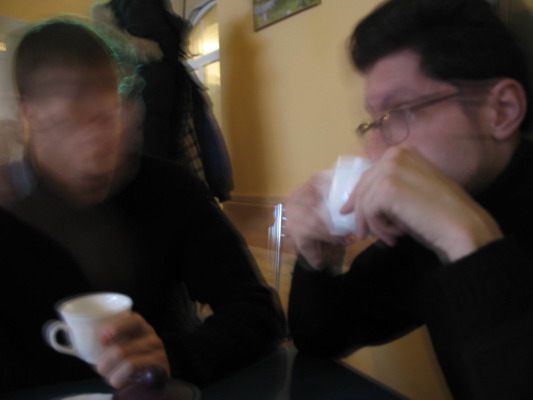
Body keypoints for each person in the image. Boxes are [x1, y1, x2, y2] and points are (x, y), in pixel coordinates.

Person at [1, 19, 284, 393]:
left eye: (107, 112)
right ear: (30, 114)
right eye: (74, 115)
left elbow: (259, 312)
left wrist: (170, 357)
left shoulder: (167, 188)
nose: (99, 140)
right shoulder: (8, 205)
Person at [286, 0, 533, 399]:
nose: (376, 152)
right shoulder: (418, 230)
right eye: (373, 122)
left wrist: (468, 240)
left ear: (501, 110)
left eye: (400, 112)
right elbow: (321, 337)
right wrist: (318, 260)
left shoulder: (443, 212)